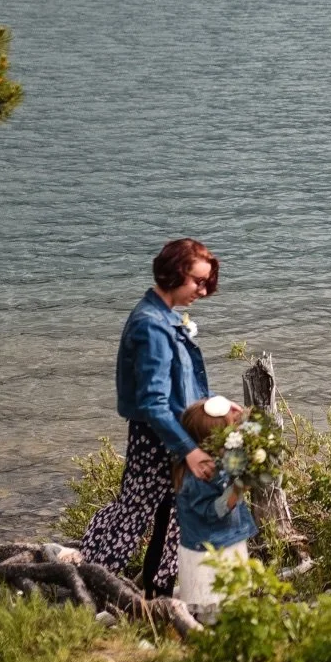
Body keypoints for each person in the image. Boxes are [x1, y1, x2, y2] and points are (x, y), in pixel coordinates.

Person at [80, 239, 219, 596]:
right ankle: (88, 584)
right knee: (133, 515)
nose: (203, 291)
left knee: (170, 518)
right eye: (197, 282)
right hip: (158, 437)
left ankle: (156, 595)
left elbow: (180, 387)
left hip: (172, 434)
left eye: (207, 282)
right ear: (174, 274)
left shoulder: (164, 317)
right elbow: (154, 402)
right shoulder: (151, 326)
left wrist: (212, 409)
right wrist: (189, 450)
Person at [171, 395, 259, 610]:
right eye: (229, 435)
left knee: (234, 600)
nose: (235, 438)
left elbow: (254, 429)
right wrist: (238, 490)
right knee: (211, 607)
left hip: (226, 541)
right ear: (211, 441)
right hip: (209, 551)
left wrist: (239, 414)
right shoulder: (197, 477)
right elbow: (213, 511)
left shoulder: (213, 460)